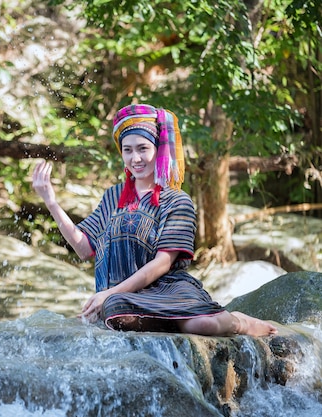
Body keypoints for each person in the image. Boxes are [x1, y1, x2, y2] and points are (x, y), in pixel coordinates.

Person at [32, 103, 277, 337]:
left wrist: (108, 293)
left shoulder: (177, 200)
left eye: (142, 149)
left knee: (202, 324)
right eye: (127, 150)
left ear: (158, 150)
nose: (135, 158)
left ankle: (239, 322)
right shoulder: (113, 196)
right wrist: (51, 202)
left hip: (168, 289)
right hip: (126, 297)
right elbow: (84, 248)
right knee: (117, 312)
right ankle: (167, 320)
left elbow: (163, 263)